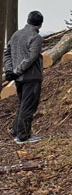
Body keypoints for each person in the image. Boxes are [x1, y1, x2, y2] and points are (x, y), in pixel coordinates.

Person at [3, 11, 45, 144]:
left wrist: (9, 70)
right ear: (40, 24)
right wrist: (15, 71)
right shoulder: (36, 37)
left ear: (28, 20)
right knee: (28, 106)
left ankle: (17, 133)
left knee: (22, 105)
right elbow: (31, 58)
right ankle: (24, 136)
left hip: (18, 78)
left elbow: (7, 53)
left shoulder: (16, 35)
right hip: (31, 77)